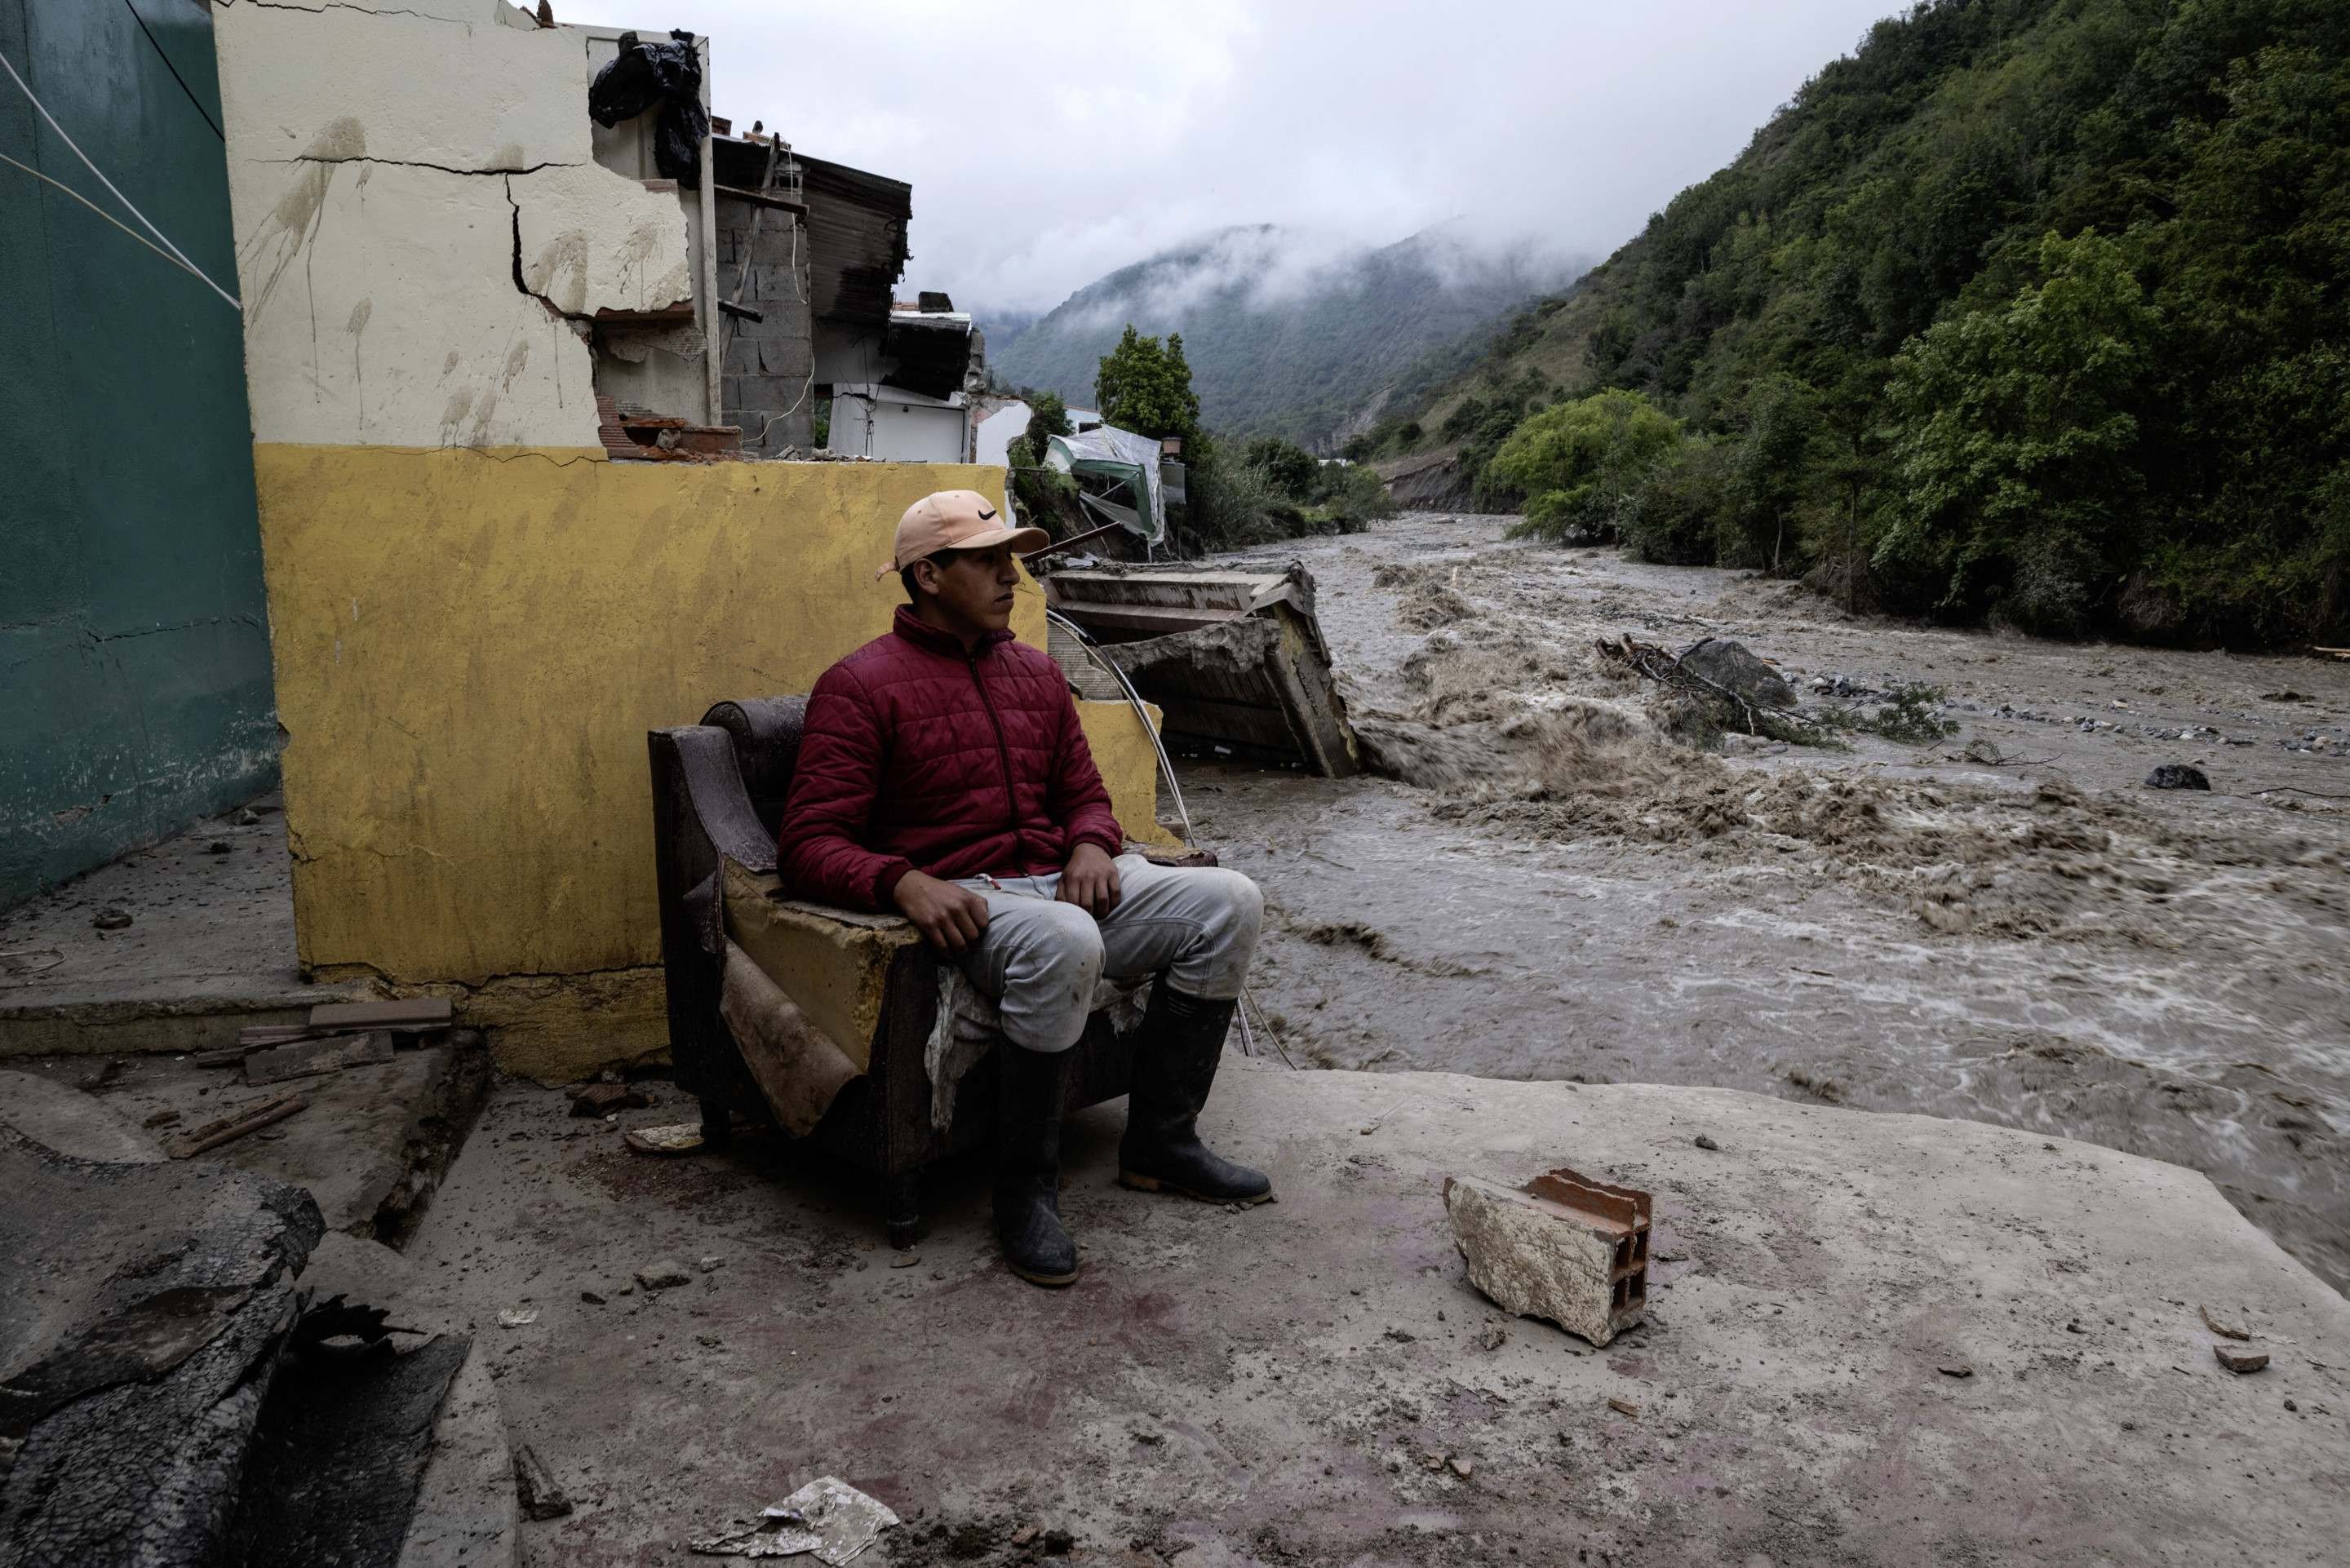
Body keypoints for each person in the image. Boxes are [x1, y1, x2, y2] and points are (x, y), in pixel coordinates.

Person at [777, 489, 1270, 1287]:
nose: (1012, 576)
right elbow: (806, 842)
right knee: (1066, 938)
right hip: (976, 899)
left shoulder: (1036, 675)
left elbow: (1085, 795)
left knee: (1229, 899)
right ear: (928, 575)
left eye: (1013, 559)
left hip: (1058, 881)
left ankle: (1162, 1142)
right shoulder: (861, 686)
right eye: (989, 560)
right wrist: (901, 880)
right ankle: (1024, 1192)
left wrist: (1087, 841)